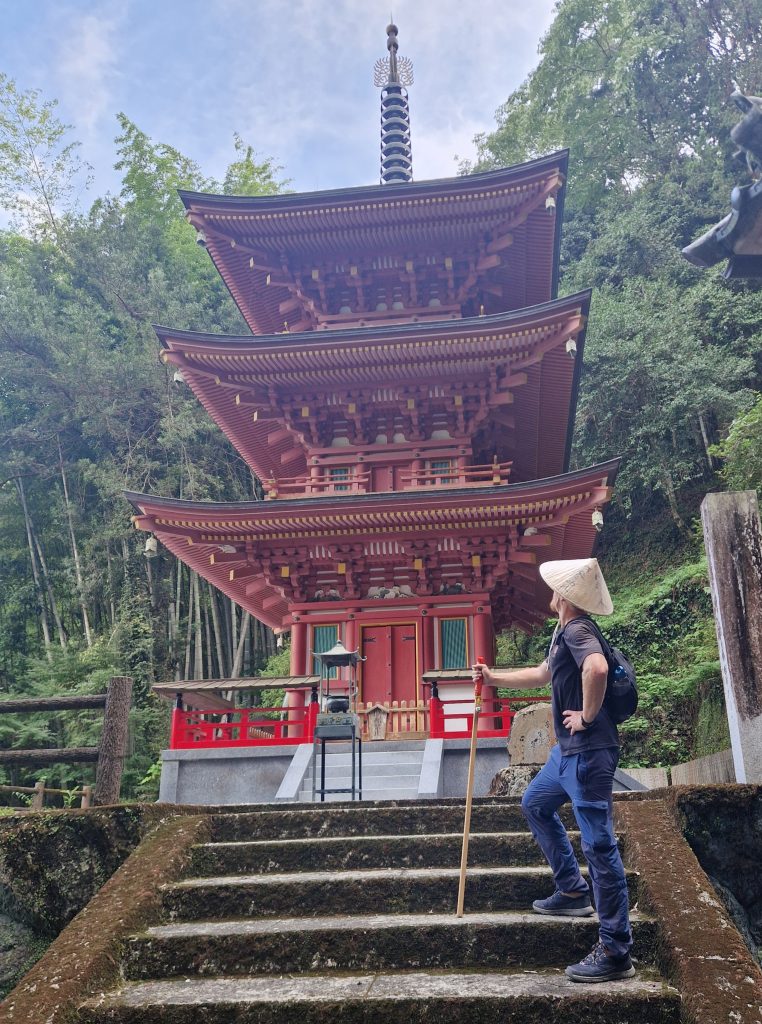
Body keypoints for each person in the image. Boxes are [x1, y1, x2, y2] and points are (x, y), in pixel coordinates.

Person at [473, 557, 634, 983]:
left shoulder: (579, 630)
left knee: (599, 846)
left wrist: (586, 715)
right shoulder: (562, 634)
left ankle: (616, 950)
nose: (551, 591)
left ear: (564, 595)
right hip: (565, 755)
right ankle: (572, 889)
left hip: (589, 753)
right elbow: (542, 674)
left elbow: (597, 668)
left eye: (556, 587)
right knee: (535, 803)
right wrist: (492, 678)